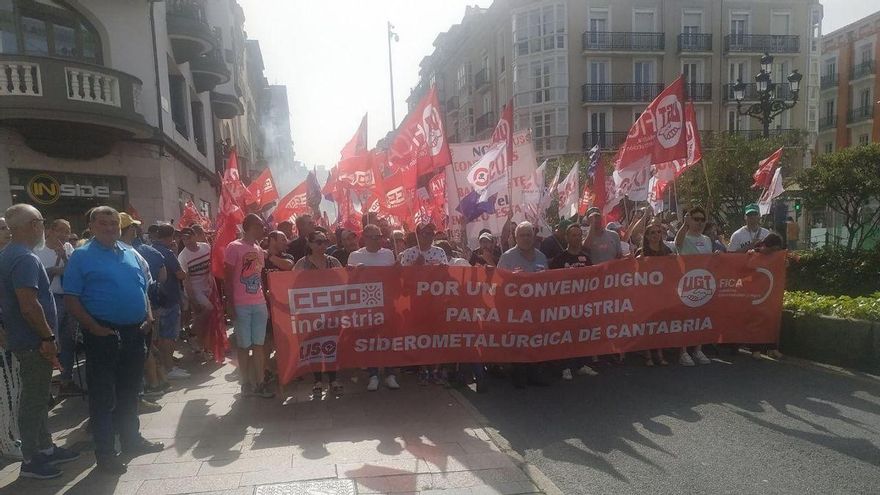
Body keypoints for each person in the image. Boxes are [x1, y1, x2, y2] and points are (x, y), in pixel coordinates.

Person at [64, 206, 163, 474]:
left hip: (135, 332)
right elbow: (71, 298)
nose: (110, 228)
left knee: (130, 391)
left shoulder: (130, 252)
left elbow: (143, 288)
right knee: (103, 397)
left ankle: (132, 440)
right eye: (104, 223)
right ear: (93, 226)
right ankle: (106, 454)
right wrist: (93, 328)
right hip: (103, 335)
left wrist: (148, 318)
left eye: (114, 223)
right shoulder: (82, 257)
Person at [0, 205, 80, 479]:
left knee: (39, 395)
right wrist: (47, 336)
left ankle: (45, 448)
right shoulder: (24, 258)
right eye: (42, 223)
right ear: (34, 225)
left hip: (27, 339)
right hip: (34, 341)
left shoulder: (10, 254)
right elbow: (29, 305)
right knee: (34, 400)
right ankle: (31, 459)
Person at [224, 214, 274, 399]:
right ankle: (245, 382)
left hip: (258, 303)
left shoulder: (259, 250)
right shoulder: (234, 247)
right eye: (260, 226)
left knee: (259, 345)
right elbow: (227, 278)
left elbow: (259, 276)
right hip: (241, 305)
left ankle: (260, 383)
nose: (263, 229)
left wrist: (265, 301)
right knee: (244, 346)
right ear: (251, 227)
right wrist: (229, 304)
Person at [347, 224, 400, 392]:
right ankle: (373, 375)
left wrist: (397, 270)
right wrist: (356, 272)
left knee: (388, 339)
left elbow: (395, 279)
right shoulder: (355, 256)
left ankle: (390, 374)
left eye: (380, 236)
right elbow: (349, 281)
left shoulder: (389, 254)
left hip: (387, 302)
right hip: (367, 305)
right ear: (365, 238)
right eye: (374, 237)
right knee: (370, 340)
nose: (379, 240)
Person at [497, 222, 550, 388]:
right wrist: (512, 278)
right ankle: (518, 375)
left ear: (533, 237)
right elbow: (498, 283)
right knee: (519, 341)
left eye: (529, 235)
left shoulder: (541, 256)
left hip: (536, 307)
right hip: (517, 308)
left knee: (536, 340)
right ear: (516, 237)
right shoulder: (507, 257)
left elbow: (548, 282)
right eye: (522, 235)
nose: (526, 238)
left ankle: (535, 373)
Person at [33, 219, 82, 397]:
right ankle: (45, 390)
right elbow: (36, 277)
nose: (64, 234)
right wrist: (53, 270)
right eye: (61, 230)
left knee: (68, 341)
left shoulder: (69, 248)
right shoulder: (38, 250)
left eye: (67, 231)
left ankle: (66, 381)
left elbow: (74, 271)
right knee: (51, 341)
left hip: (67, 297)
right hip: (48, 298)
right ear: (50, 231)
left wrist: (65, 258)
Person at [293, 231, 344, 394]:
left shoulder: (333, 261)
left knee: (331, 344)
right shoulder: (302, 264)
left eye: (325, 242)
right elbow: (292, 285)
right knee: (313, 345)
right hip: (310, 312)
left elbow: (343, 282)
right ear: (310, 243)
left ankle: (333, 379)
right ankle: (317, 381)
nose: (322, 245)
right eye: (318, 242)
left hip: (331, 311)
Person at [549, 224, 599, 380]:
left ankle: (582, 364)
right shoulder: (559, 259)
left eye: (579, 235)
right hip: (565, 307)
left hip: (583, 306)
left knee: (582, 335)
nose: (577, 238)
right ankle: (565, 366)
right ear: (567, 238)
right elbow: (551, 283)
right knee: (565, 336)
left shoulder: (587, 258)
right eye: (573, 235)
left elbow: (593, 281)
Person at [673, 207, 713, 367]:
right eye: (696, 219)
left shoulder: (707, 239)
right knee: (685, 319)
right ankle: (683, 352)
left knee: (701, 318)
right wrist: (685, 225)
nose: (699, 222)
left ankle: (698, 349)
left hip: (704, 283)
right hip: (686, 284)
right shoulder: (684, 236)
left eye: (702, 219)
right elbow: (678, 243)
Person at [151, 225, 189, 380]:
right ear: (170, 236)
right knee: (170, 335)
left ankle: (163, 365)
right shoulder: (167, 253)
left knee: (160, 336)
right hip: (170, 299)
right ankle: (169, 368)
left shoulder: (149, 249)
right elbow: (180, 274)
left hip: (155, 299)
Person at [635, 221, 673, 366]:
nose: (656, 235)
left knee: (660, 325)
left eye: (658, 232)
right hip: (647, 294)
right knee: (648, 324)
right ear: (647, 236)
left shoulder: (666, 250)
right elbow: (636, 272)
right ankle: (648, 355)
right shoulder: (642, 252)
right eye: (652, 233)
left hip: (662, 293)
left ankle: (660, 354)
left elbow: (676, 266)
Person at [261, 231, 295, 384]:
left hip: (284, 308)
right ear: (272, 240)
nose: (286, 242)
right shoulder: (257, 258)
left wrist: (268, 256)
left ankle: (287, 369)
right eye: (282, 239)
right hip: (265, 307)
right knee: (267, 341)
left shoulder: (287, 256)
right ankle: (266, 370)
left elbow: (288, 267)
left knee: (286, 340)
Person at [178, 227, 214, 359]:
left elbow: (212, 266)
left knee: (207, 320)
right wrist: (193, 299)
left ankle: (204, 346)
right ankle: (192, 334)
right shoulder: (183, 256)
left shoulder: (205, 247)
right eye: (183, 239)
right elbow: (186, 282)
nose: (186, 241)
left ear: (194, 236)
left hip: (208, 287)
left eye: (188, 237)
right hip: (194, 289)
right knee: (208, 310)